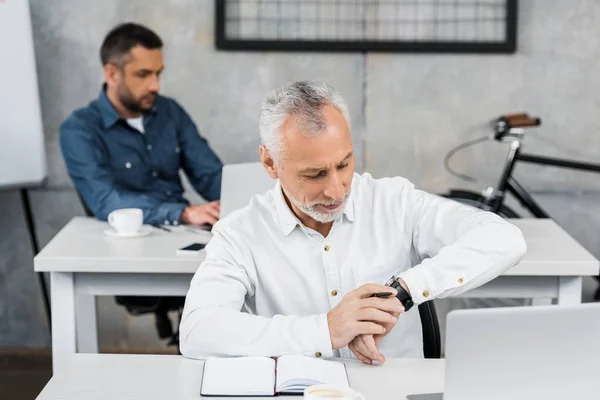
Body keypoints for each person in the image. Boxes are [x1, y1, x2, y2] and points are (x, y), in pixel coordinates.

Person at [179, 80, 527, 363]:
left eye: (344, 164)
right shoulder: (240, 233)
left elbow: (504, 239)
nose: (336, 189)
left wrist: (403, 292)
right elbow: (198, 332)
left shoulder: (394, 201)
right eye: (314, 174)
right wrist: (326, 330)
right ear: (270, 164)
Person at [60, 22, 222, 227]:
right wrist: (182, 213)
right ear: (111, 74)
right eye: (143, 74)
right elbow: (105, 200)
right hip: (123, 237)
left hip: (182, 230)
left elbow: (209, 175)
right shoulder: (80, 130)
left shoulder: (170, 112)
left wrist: (250, 201)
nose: (155, 85)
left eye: (158, 73)